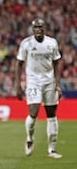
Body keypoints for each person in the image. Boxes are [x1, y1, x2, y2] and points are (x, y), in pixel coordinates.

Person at [15, 18, 63, 159]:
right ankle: (30, 139)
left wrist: (57, 84)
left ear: (44, 28)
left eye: (40, 27)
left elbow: (57, 64)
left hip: (49, 82)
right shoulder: (26, 44)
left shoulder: (52, 43)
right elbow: (19, 64)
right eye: (36, 27)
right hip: (33, 82)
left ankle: (52, 149)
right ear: (32, 29)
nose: (38, 30)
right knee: (33, 112)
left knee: (51, 114)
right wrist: (18, 85)